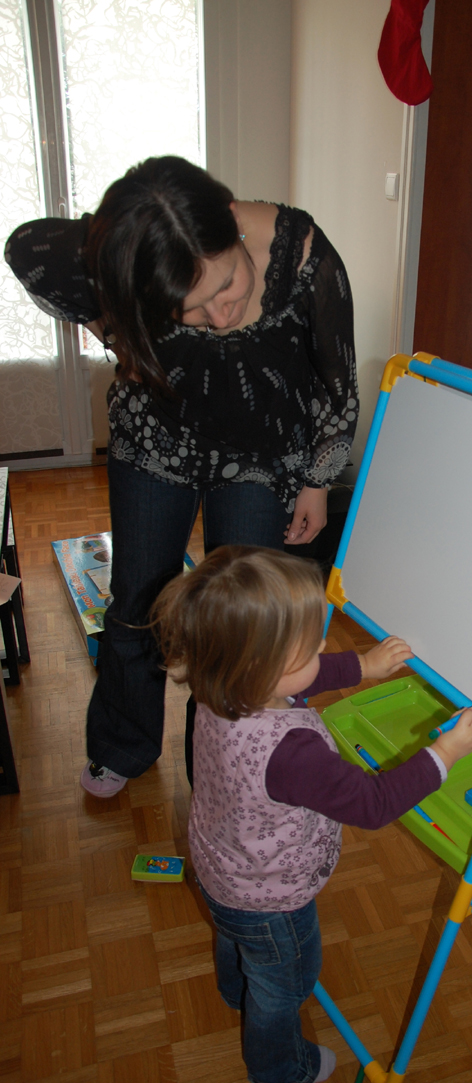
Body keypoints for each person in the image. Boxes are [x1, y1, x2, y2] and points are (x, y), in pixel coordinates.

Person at [5, 156, 358, 797]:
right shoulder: (136, 254)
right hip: (156, 441)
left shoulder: (301, 252)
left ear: (230, 222)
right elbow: (25, 248)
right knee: (138, 600)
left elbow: (338, 380)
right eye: (190, 311)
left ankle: (218, 765)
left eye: (227, 285)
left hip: (262, 456)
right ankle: (123, 743)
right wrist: (110, 325)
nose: (221, 316)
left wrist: (317, 482)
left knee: (239, 619)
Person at [151, 545, 472, 1083]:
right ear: (261, 666)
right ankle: (283, 1069)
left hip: (222, 868)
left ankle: (235, 991)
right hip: (273, 897)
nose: (324, 648)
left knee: (237, 939)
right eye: (310, 649)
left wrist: (363, 666)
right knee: (285, 986)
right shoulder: (292, 755)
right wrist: (444, 754)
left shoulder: (220, 683)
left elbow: (293, 677)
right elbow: (373, 804)